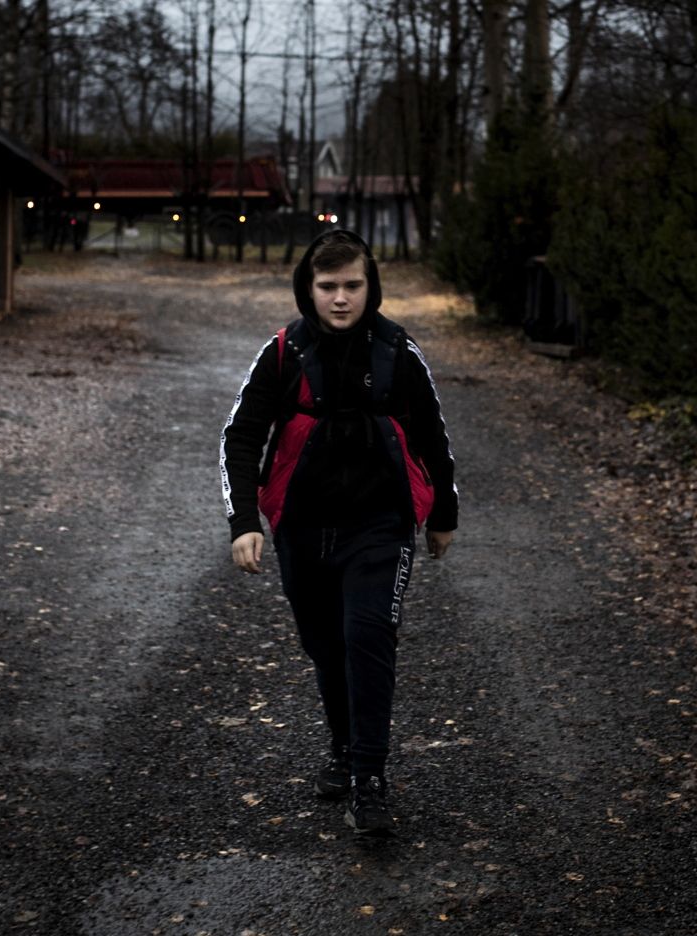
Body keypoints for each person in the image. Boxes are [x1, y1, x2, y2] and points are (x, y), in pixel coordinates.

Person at [219, 229, 458, 836]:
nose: (342, 299)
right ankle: (344, 750)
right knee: (326, 646)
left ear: (370, 286)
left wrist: (444, 512)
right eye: (328, 287)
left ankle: (371, 777)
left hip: (381, 522)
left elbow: (433, 432)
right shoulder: (283, 352)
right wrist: (244, 520)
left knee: (368, 636)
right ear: (309, 288)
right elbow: (241, 436)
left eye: (353, 286)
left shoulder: (398, 350)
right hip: (302, 525)